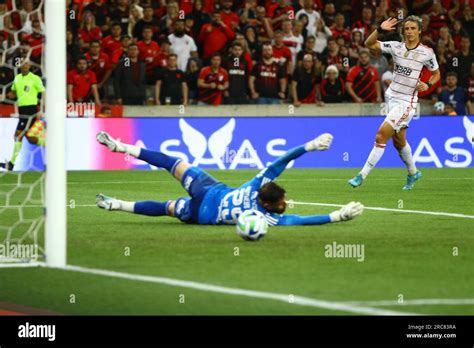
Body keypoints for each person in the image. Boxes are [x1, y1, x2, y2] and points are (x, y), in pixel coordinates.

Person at [96, 131, 364, 226]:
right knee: (167, 208)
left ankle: (123, 148)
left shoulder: (256, 184)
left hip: (208, 188)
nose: (286, 202)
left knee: (171, 163)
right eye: (283, 200)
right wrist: (336, 216)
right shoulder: (264, 217)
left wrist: (310, 146)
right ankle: (117, 205)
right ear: (269, 205)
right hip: (202, 213)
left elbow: (281, 162)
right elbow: (300, 220)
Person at [348, 16, 441, 190]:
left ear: (419, 30)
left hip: (406, 102)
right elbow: (369, 43)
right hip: (391, 97)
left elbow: (436, 74)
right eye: (407, 29)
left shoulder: (426, 52)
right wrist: (380, 30)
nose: (410, 32)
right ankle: (413, 173)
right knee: (399, 142)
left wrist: (427, 84)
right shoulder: (396, 46)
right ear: (403, 31)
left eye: (413, 28)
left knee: (381, 135)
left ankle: (361, 175)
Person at [1, 60, 44, 171]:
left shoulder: (35, 78)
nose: (24, 66)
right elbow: (13, 93)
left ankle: (11, 164)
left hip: (31, 110)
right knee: (30, 139)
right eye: (22, 64)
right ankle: (51, 145)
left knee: (18, 135)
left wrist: (41, 109)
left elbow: (43, 93)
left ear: (30, 66)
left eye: (26, 64)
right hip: (22, 111)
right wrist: (3, 96)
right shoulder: (17, 78)